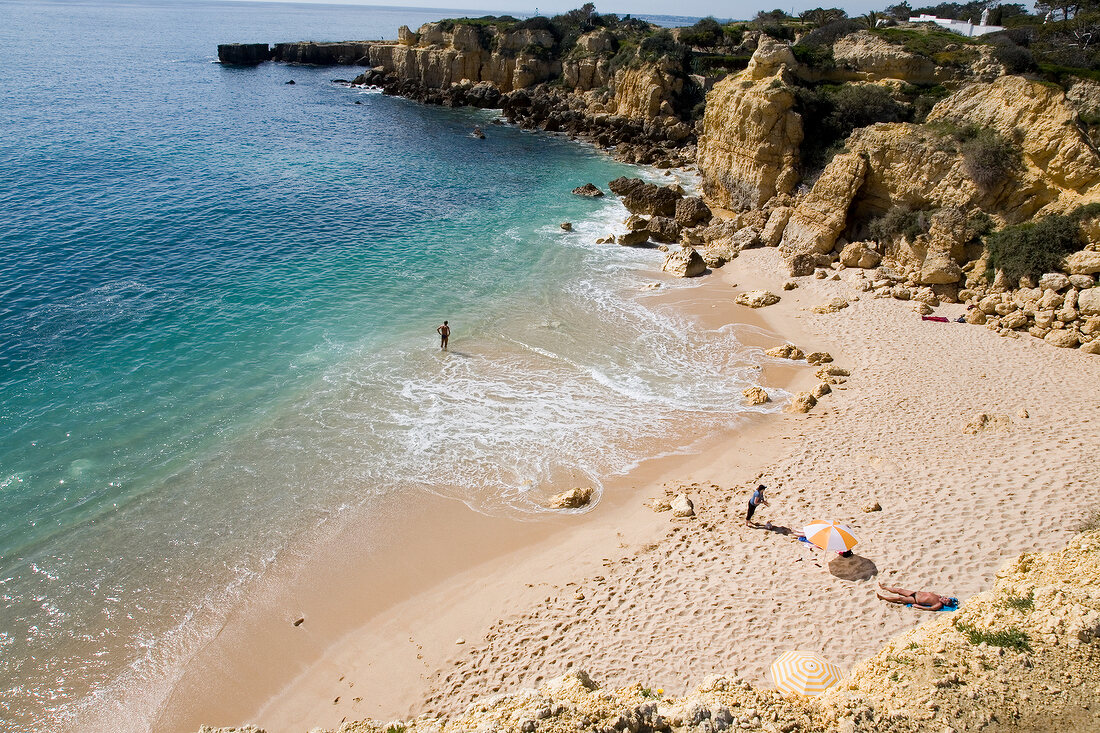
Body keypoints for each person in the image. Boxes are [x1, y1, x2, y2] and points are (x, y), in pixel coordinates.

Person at [877, 583, 958, 611]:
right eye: (946, 598)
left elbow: (929, 608)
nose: (944, 598)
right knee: (899, 590)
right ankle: (884, 588)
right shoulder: (939, 596)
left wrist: (918, 606)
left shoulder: (938, 604)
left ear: (945, 604)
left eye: (945, 600)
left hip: (915, 599)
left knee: (899, 598)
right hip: (915, 593)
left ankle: (883, 597)